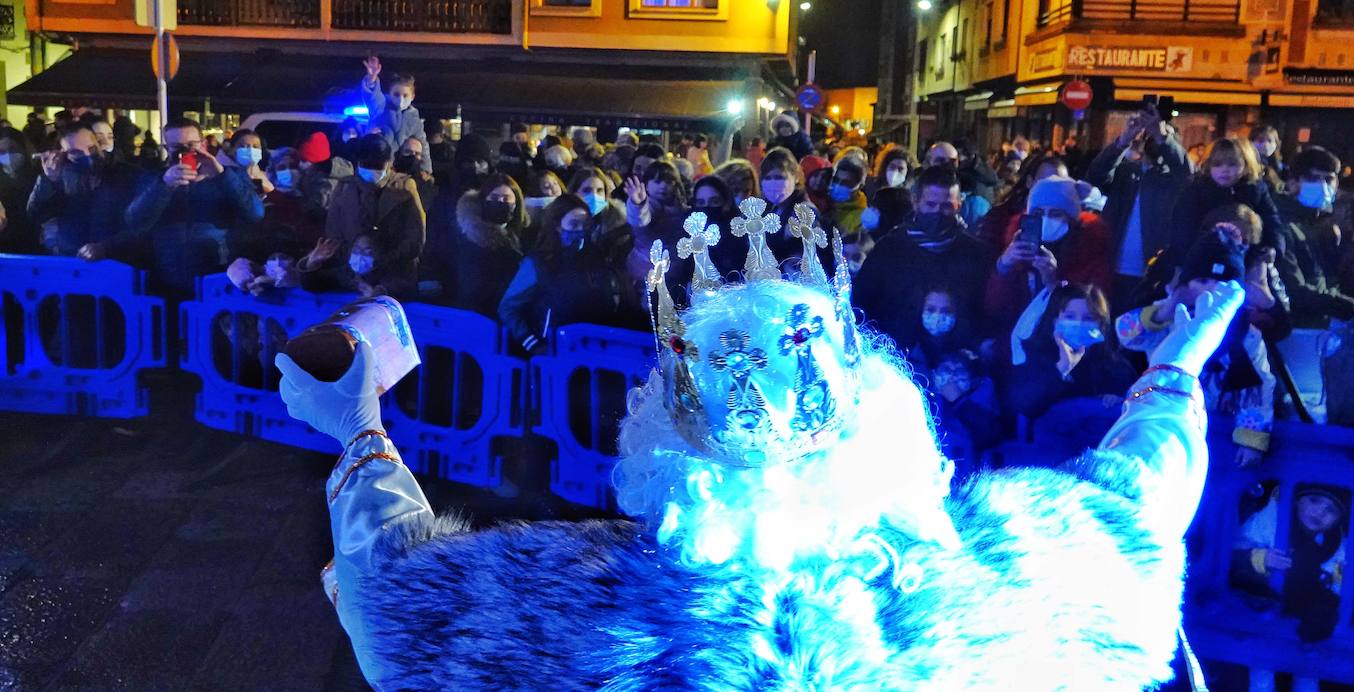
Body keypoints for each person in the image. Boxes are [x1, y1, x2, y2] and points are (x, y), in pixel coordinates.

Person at [276, 196, 1249, 688]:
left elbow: (391, 589)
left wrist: (357, 424)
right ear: (882, 412)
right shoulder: (1014, 584)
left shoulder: (572, 610)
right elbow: (1141, 486)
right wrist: (1177, 359)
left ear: (663, 435)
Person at [1116, 226, 1276, 466]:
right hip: (1164, 420)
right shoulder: (1170, 318)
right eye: (1202, 281)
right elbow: (1127, 334)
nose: (1211, 290)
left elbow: (1256, 388)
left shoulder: (1246, 335)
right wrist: (1163, 312)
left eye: (1222, 283)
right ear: (1186, 284)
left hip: (1218, 427)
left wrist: (1251, 439)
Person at [854, 164, 995, 352]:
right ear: (915, 202)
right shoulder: (889, 249)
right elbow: (862, 304)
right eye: (930, 205)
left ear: (958, 205)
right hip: (896, 359)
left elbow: (985, 311)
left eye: (946, 206)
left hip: (955, 365)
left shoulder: (976, 253)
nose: (937, 212)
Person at [124, 117, 265, 294]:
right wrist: (164, 185)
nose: (185, 152)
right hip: (167, 277)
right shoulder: (154, 178)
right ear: (167, 148)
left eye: (191, 145)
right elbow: (134, 221)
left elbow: (256, 213)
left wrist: (222, 176)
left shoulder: (230, 175)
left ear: (203, 144)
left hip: (219, 277)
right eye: (176, 147)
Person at [1086, 104, 1191, 311]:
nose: (1154, 138)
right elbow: (1096, 174)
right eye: (1149, 134)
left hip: (1151, 275)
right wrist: (1124, 140)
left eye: (1161, 134)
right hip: (1111, 270)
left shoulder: (1174, 181)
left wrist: (1162, 136)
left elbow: (1186, 171)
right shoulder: (1126, 172)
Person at [498, 194, 624, 354]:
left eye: (585, 225)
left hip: (594, 350)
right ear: (557, 226)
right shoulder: (539, 262)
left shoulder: (596, 257)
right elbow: (508, 308)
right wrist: (533, 344)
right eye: (574, 224)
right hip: (555, 352)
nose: (581, 230)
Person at [987, 176, 1113, 328]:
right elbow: (997, 310)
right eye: (1038, 213)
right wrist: (1004, 266)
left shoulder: (1090, 252)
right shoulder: (1019, 249)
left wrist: (1054, 283)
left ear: (1071, 219)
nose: (1046, 219)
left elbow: (1090, 314)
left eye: (1056, 213)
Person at [312, 135, 426, 299]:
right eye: (367, 165)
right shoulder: (346, 188)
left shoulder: (404, 187)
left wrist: (381, 260)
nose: (372, 170)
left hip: (393, 280)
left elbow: (415, 238)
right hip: (352, 278)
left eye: (377, 165)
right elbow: (334, 234)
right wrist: (355, 264)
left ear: (388, 163)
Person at [1231, 484, 1348, 643]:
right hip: (1255, 592)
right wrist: (1261, 558)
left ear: (1338, 520)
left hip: (1295, 603)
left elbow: (1338, 583)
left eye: (1331, 511)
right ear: (1298, 501)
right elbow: (1234, 551)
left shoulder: (1336, 543)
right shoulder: (1271, 518)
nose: (1320, 512)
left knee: (1324, 608)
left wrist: (1338, 580)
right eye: (1314, 501)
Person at [1006, 282, 1137, 421]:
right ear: (1055, 321)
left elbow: (1134, 403)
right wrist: (1061, 369)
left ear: (1101, 324)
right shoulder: (1035, 355)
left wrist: (1118, 399)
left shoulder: (1117, 366)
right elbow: (1024, 405)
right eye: (1070, 317)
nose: (1079, 323)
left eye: (1089, 318)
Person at [1274, 146, 1354, 325]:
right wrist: (1353, 309)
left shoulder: (1326, 224)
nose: (1323, 186)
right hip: (1296, 328)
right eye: (1313, 179)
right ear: (1293, 182)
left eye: (1329, 179)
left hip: (1323, 324)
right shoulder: (1280, 224)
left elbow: (1340, 278)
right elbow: (1295, 289)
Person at [908, 285, 1002, 463]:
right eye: (931, 309)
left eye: (945, 310)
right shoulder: (906, 355)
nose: (937, 316)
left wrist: (960, 402)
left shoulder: (976, 364)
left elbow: (991, 433)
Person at [27, 125, 147, 261]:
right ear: (64, 154)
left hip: (118, 262)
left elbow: (142, 223)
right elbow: (36, 214)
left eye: (91, 148)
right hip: (73, 261)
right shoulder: (63, 177)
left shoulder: (128, 174)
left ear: (99, 144)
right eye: (76, 152)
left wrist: (105, 247)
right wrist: (48, 181)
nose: (87, 155)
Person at [1169, 136, 1284, 260]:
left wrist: (1273, 247)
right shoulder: (1196, 190)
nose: (1224, 169)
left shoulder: (1255, 190)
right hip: (1202, 258)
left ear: (1246, 165)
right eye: (1217, 164)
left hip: (1247, 257)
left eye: (1232, 164)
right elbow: (1182, 226)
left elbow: (1271, 220)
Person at [438, 174, 526, 317]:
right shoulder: (469, 236)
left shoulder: (525, 234)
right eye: (495, 198)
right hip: (477, 313)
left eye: (506, 198)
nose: (500, 202)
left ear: (516, 203)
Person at [359, 55, 430, 175]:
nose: (400, 99)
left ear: (412, 97)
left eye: (405, 95)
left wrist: (426, 171)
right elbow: (373, 98)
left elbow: (423, 145)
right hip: (377, 169)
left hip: (401, 170)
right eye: (396, 94)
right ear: (390, 94)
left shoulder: (414, 119)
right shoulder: (381, 109)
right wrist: (372, 79)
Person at [567, 166, 631, 269]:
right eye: (587, 190)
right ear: (574, 192)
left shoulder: (618, 221)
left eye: (600, 190)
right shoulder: (564, 221)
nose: (594, 196)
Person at [297, 131, 353, 225]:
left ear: (315, 162)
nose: (300, 164)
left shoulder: (326, 184)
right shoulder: (314, 175)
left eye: (304, 160)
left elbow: (317, 212)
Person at [0, 128, 38, 253]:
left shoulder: (38, 177)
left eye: (13, 150)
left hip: (33, 244)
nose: (8, 157)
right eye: (2, 152)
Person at [825, 150, 869, 236]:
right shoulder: (822, 199)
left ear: (860, 186)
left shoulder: (861, 218)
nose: (838, 186)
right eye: (836, 180)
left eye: (846, 183)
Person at [1249, 124, 1285, 195]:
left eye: (1269, 141)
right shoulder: (1247, 163)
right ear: (1251, 142)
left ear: (1276, 143)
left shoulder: (1277, 162)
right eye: (1260, 140)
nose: (1265, 144)